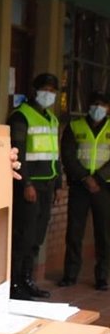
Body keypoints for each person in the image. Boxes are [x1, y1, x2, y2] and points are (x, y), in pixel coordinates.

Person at [7, 73, 62, 300]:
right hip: (29, 187)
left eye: (52, 90)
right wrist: (26, 183)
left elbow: (54, 154)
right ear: (36, 89)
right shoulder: (21, 116)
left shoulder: (52, 119)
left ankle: (28, 280)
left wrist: (58, 183)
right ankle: (15, 283)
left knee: (36, 238)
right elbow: (17, 151)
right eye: (45, 89)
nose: (48, 94)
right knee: (23, 237)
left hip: (47, 184)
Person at [59, 92, 110, 291]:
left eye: (103, 105)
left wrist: (97, 178)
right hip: (80, 186)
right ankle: (70, 274)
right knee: (74, 232)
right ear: (88, 106)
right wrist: (85, 177)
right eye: (95, 104)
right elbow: (68, 155)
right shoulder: (74, 126)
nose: (98, 108)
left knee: (104, 234)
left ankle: (102, 276)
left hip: (104, 187)